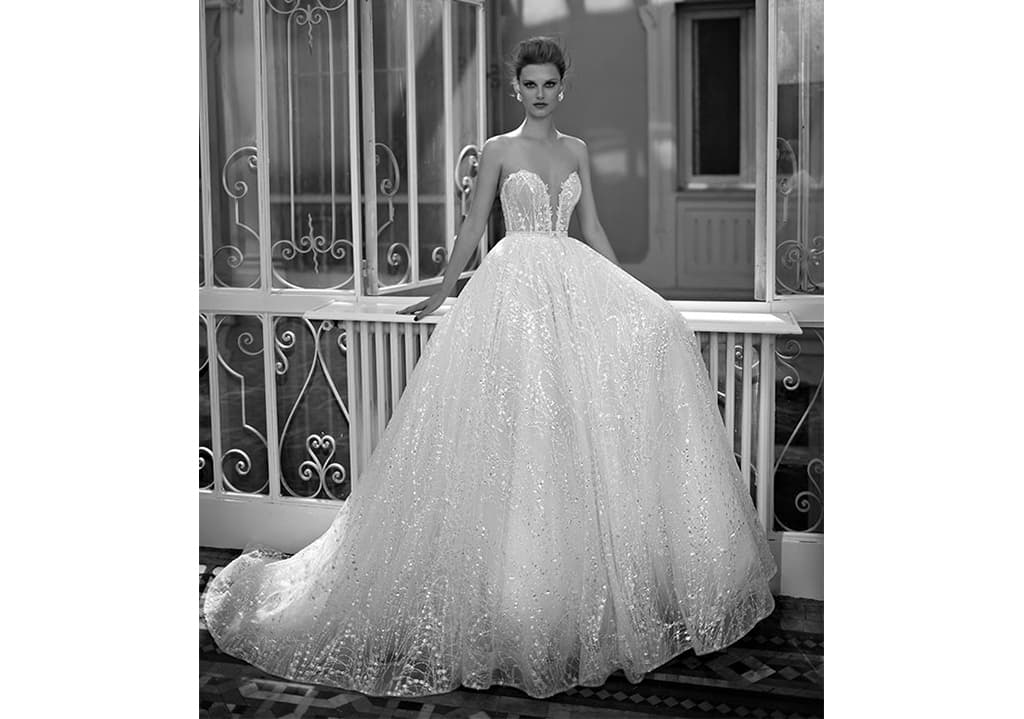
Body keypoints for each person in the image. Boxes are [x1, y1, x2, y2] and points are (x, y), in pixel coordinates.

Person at [204, 36, 777, 700]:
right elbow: (476, 226)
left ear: (563, 87)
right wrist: (443, 291)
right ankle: (511, 592)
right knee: (514, 425)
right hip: (512, 294)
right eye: (530, 84)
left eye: (550, 84)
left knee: (564, 431)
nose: (540, 94)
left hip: (567, 287)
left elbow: (591, 228)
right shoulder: (500, 150)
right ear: (516, 89)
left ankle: (551, 589)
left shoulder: (578, 151)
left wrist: (633, 294)